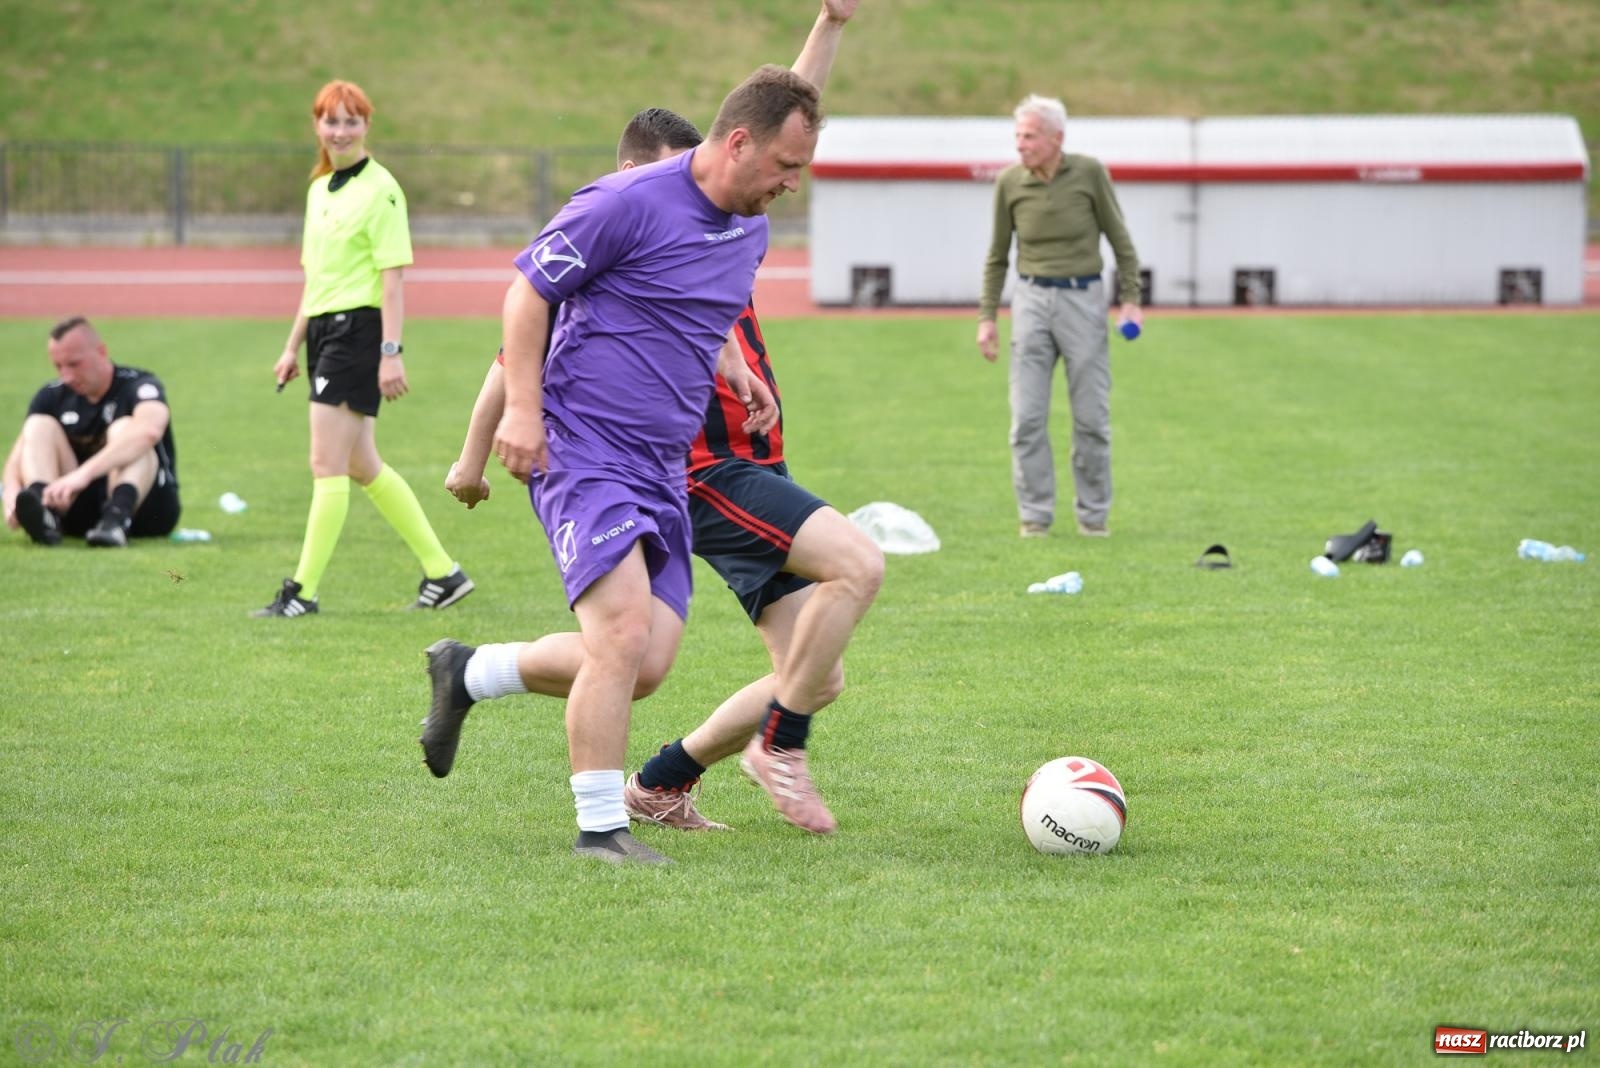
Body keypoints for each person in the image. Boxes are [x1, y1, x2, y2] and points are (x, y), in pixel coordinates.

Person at [433, 1, 877, 843]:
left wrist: (736, 365)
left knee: (643, 664)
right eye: (785, 166)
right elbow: (526, 292)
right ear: (736, 144)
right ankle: (603, 830)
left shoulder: (746, 225)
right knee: (626, 630)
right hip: (585, 449)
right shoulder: (624, 204)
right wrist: (517, 416)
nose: (793, 183)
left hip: (662, 465)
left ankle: (474, 670)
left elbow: (787, 103)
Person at [256, 79, 472, 618]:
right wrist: (290, 347)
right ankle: (444, 574)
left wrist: (391, 351)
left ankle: (301, 592)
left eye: (352, 120)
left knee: (325, 462)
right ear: (317, 126)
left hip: (359, 332)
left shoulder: (383, 189)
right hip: (325, 331)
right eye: (332, 120)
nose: (341, 129)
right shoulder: (318, 189)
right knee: (361, 463)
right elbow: (315, 282)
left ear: (366, 126)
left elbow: (392, 280)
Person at [977, 94, 1143, 539]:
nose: (1020, 144)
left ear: (1057, 138)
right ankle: (1035, 517)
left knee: (1091, 418)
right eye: (1017, 136)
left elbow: (1121, 241)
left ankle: (1093, 517)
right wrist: (987, 316)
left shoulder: (1089, 174)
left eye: (1029, 136)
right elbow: (997, 255)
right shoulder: (1010, 183)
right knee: (1026, 419)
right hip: (1030, 301)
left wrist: (1131, 299)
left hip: (1082, 300)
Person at [3, 316, 180, 548]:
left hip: (146, 511)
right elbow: (16, 460)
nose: (66, 375)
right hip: (77, 508)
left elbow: (149, 431)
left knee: (125, 429)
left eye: (74, 364)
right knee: (38, 425)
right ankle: (45, 515)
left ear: (101, 351)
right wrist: (12, 498)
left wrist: (82, 475)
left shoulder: (140, 385)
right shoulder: (52, 395)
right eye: (58, 366)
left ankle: (115, 520)